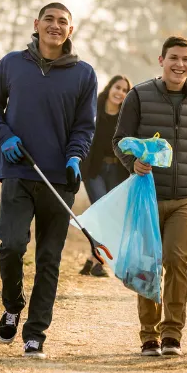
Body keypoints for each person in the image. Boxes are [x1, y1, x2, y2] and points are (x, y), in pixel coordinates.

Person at [0, 3, 97, 359]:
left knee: (49, 258)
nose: (55, 26)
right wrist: (4, 136)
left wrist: (75, 156)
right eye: (49, 19)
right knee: (12, 245)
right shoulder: (11, 64)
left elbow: (85, 126)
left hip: (59, 179)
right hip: (18, 171)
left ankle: (36, 334)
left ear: (70, 31)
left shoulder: (84, 74)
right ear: (36, 24)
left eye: (63, 21)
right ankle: (13, 305)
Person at [113, 36, 187, 358]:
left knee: (176, 260)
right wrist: (133, 162)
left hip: (185, 197)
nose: (180, 64)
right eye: (174, 57)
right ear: (161, 60)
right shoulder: (139, 96)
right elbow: (119, 140)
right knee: (148, 265)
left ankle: (172, 334)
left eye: (186, 59)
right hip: (147, 195)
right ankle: (148, 336)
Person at [79, 74, 132, 278]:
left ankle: (92, 260)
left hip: (117, 172)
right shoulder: (93, 109)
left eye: (125, 90)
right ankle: (99, 263)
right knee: (102, 213)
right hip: (94, 171)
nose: (120, 93)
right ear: (109, 88)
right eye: (117, 87)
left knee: (110, 216)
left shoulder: (126, 116)